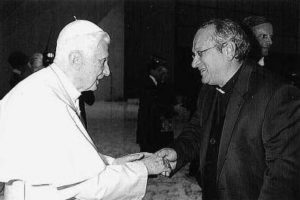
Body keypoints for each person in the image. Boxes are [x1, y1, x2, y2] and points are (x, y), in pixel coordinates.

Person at [0, 20, 171, 200]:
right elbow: (89, 187)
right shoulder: (49, 102)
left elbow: (70, 163)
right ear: (76, 59)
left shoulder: (47, 87)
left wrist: (114, 163)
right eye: (102, 61)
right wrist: (145, 168)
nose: (107, 71)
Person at [156, 19, 300, 200]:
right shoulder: (208, 90)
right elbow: (196, 131)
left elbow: (283, 178)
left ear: (229, 50)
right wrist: (178, 152)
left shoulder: (276, 94)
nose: (194, 63)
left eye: (200, 53)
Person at [136, 56, 176, 153]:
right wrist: (173, 109)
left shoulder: (159, 84)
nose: (162, 74)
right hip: (150, 133)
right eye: (159, 71)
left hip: (157, 131)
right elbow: (154, 107)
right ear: (152, 71)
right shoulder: (147, 85)